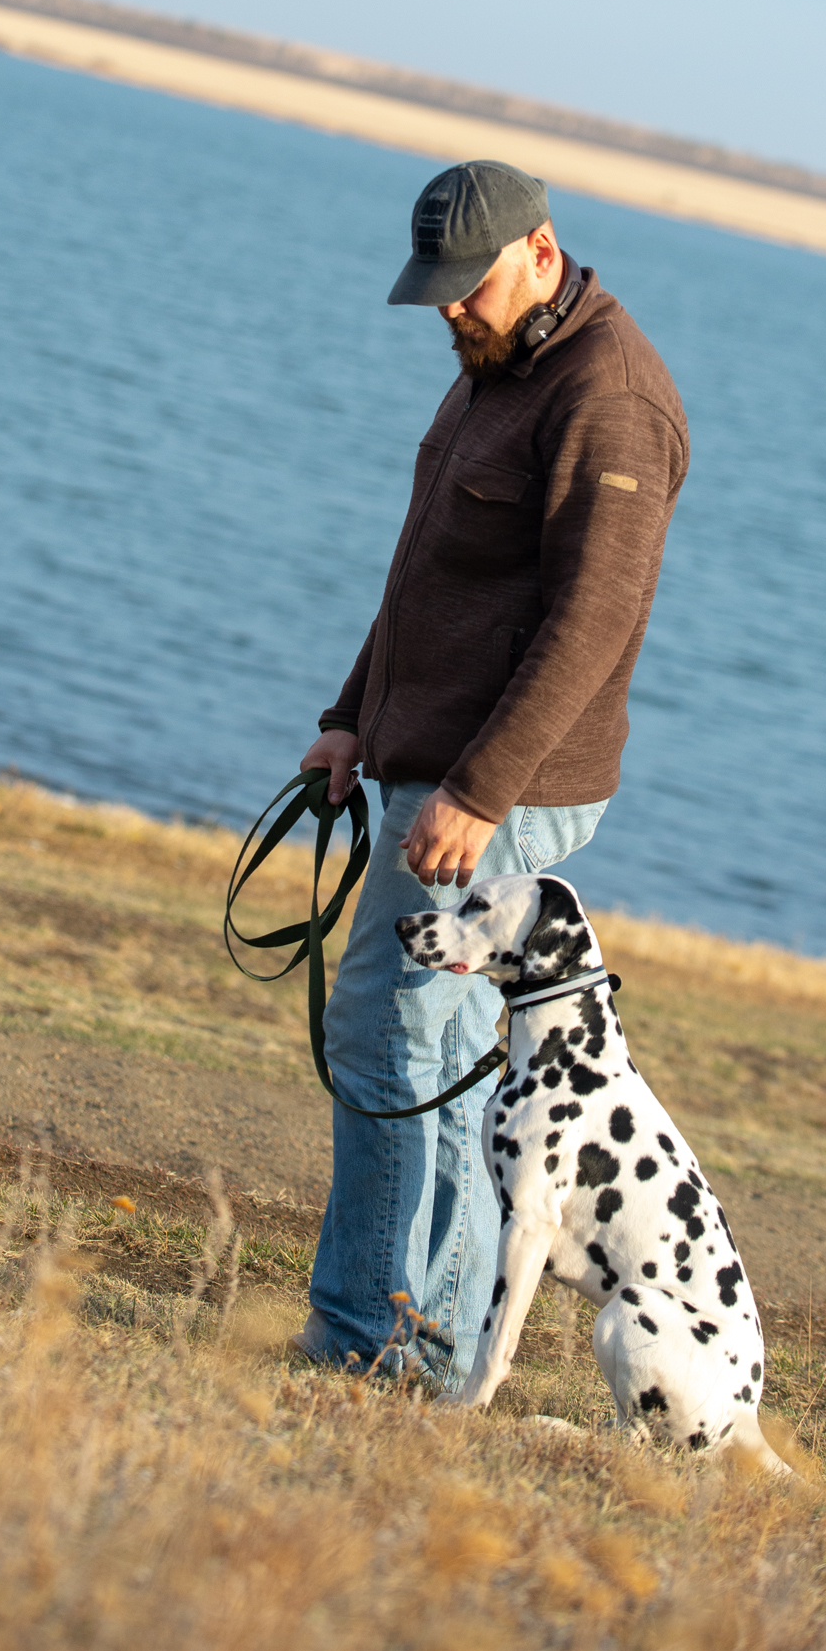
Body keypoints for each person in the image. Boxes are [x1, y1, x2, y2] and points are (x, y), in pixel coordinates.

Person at [293, 157, 688, 1386]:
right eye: (437, 291)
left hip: (502, 794)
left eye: (469, 287)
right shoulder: (496, 366)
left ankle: (378, 1337)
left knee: (391, 1036)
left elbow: (594, 619)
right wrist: (352, 714)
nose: (451, 310)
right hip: (435, 766)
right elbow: (428, 564)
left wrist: (477, 791)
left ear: (539, 248)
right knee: (432, 1049)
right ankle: (425, 1339)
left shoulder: (609, 401)